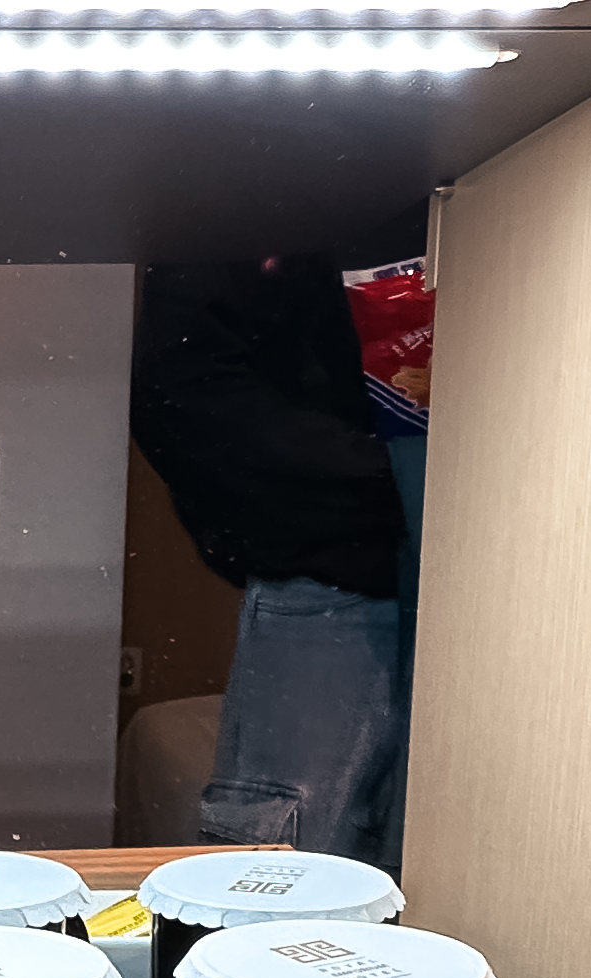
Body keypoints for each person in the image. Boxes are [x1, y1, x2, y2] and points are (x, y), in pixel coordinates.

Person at [130, 250, 416, 872]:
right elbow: (184, 403)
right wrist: (407, 477)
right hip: (334, 573)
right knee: (286, 869)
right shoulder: (243, 219)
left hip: (508, 559)